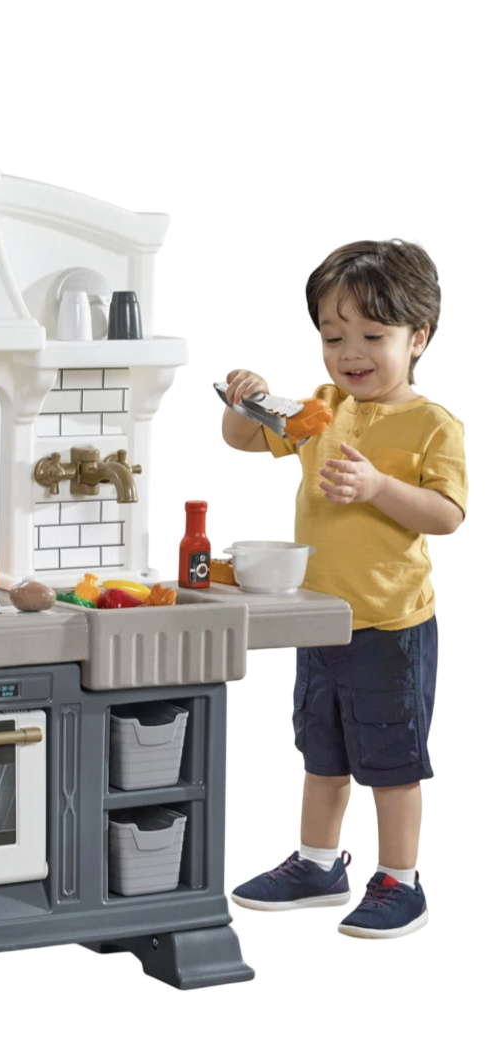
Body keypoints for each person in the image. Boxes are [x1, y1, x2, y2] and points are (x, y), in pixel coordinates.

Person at [220, 239, 466, 939]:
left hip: (389, 624)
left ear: (418, 338)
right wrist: (246, 399)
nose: (349, 352)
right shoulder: (320, 410)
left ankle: (400, 881)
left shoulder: (431, 425)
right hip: (319, 620)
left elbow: (447, 516)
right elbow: (241, 439)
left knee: (391, 762)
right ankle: (318, 864)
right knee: (321, 753)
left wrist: (380, 487)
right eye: (333, 336)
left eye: (371, 335)